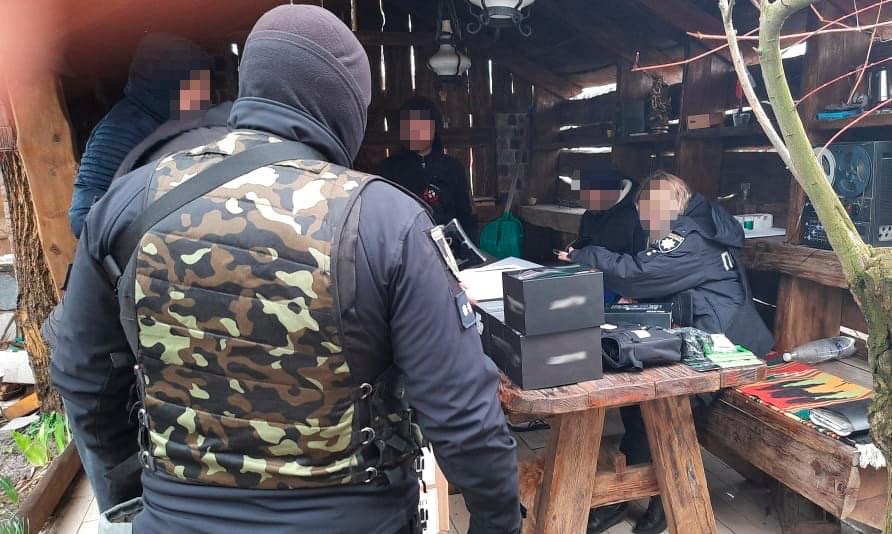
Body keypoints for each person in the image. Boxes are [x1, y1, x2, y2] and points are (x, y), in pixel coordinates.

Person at [50, 5, 521, 534]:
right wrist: (497, 524)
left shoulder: (130, 203)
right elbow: (465, 421)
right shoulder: (385, 221)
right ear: (345, 105)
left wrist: (135, 493)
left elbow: (82, 374)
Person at [560, 170, 774, 534]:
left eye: (648, 213)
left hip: (723, 347)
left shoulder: (691, 236)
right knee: (636, 392)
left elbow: (638, 273)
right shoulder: (698, 226)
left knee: (661, 403)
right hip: (710, 332)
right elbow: (670, 280)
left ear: (668, 203)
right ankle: (626, 496)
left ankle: (660, 502)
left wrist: (585, 254)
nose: (646, 222)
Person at [68, 33, 214, 238]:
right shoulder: (120, 131)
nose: (204, 97)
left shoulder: (174, 123)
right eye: (196, 85)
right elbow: (83, 218)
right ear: (171, 83)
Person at [378, 97, 477, 237]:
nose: (415, 132)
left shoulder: (452, 168)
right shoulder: (388, 169)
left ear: (434, 128)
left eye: (422, 126)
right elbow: (383, 219)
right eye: (410, 127)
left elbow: (465, 216)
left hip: (448, 244)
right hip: (406, 244)